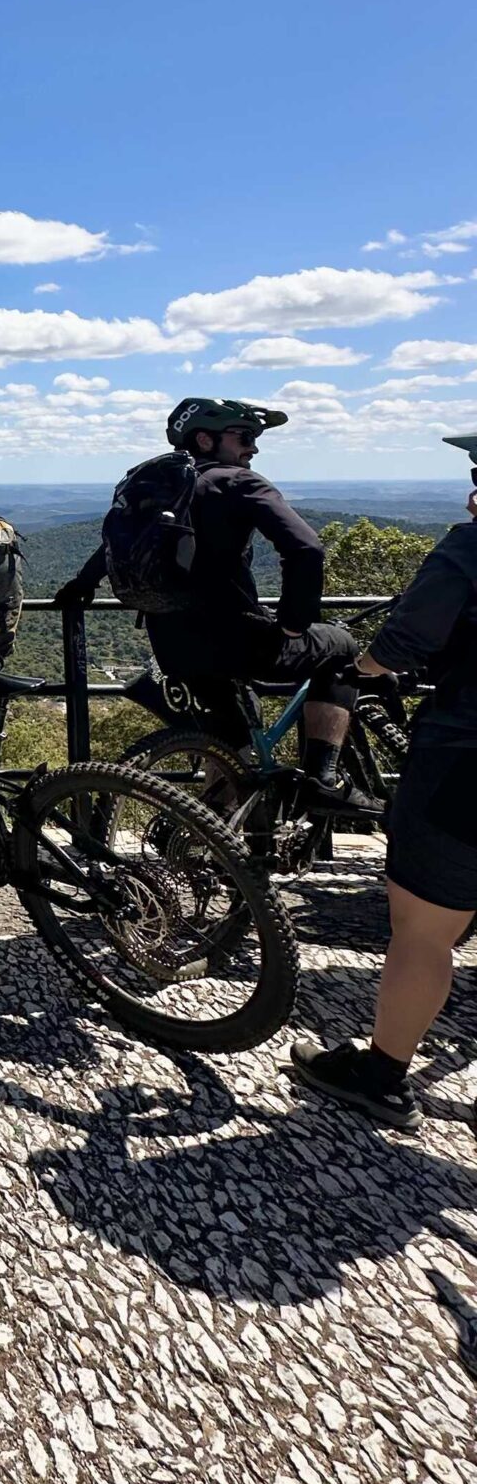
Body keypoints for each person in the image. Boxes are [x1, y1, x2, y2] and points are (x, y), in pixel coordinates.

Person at [56, 397, 379, 818]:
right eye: (244, 437)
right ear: (205, 439)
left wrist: (83, 584)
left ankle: (212, 840)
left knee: (231, 744)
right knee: (341, 647)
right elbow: (306, 549)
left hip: (174, 645)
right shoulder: (238, 482)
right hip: (238, 642)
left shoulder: (160, 489)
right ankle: (323, 779)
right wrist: (295, 625)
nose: (253, 448)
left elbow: (118, 547)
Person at [290, 430, 477, 1130]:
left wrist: (361, 667)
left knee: (424, 932)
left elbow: (405, 641)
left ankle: (382, 1075)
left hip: (464, 756)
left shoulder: (470, 545)